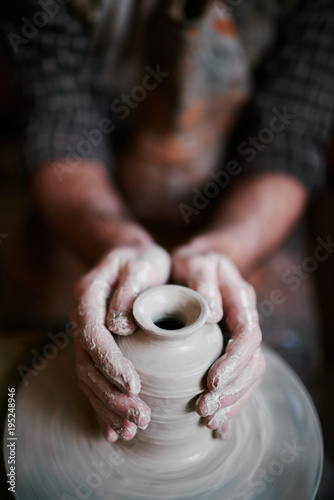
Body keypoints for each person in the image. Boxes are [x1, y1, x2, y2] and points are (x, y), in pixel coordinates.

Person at [1, 0, 333, 444]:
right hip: (95, 195)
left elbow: (290, 139)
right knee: (29, 367)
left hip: (245, 200)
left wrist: (223, 252)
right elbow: (59, 118)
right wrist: (118, 241)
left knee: (286, 368)